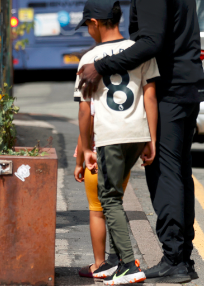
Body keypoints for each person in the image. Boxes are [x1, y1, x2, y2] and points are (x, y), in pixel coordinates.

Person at [78, 0, 204, 283]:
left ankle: (175, 261)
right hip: (187, 89)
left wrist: (100, 67)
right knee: (178, 175)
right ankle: (181, 257)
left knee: (164, 176)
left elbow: (150, 43)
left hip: (171, 92)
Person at [74, 0, 159, 285]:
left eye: (87, 25)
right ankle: (113, 262)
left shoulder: (89, 59)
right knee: (116, 197)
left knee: (107, 199)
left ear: (95, 23)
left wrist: (86, 149)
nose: (88, 30)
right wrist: (152, 139)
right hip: (137, 133)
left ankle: (127, 263)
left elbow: (85, 111)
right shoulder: (138, 50)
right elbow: (150, 95)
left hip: (111, 136)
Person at [74, 99, 132, 279]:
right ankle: (118, 261)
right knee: (114, 207)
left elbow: (87, 127)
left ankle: (100, 264)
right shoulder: (124, 92)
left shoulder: (95, 94)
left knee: (97, 211)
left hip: (98, 160)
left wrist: (78, 163)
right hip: (123, 159)